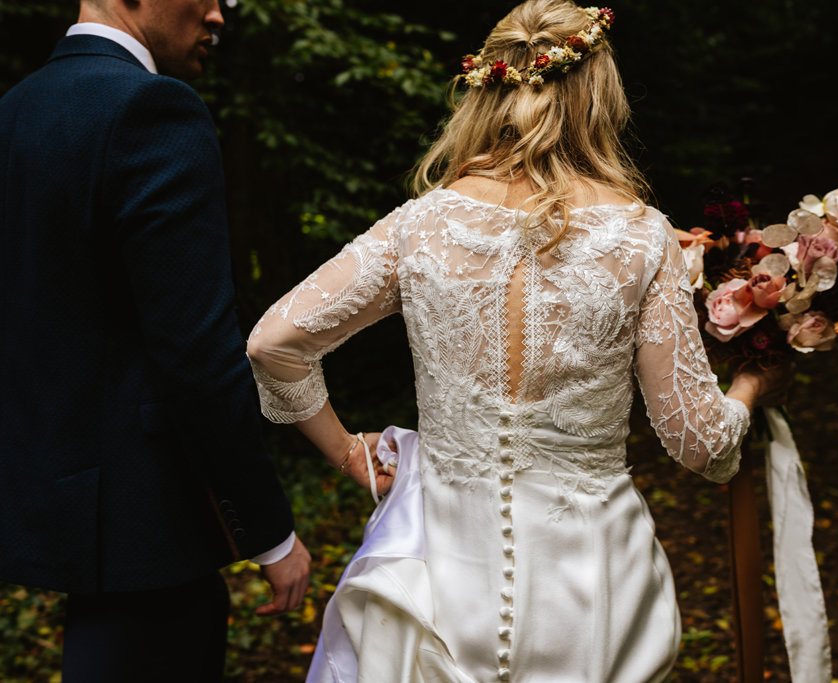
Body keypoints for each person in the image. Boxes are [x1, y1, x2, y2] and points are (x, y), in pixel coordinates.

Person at [246, 1, 785, 680]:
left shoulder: (422, 225)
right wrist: (752, 385)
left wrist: (353, 454)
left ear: (488, 86)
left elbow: (273, 342)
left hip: (436, 576)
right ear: (599, 95)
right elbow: (701, 444)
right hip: (589, 586)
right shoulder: (643, 237)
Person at [0, 1, 311, 681]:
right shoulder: (153, 110)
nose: (218, 14)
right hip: (149, 530)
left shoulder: (15, 109)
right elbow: (198, 353)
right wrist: (269, 533)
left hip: (55, 508)